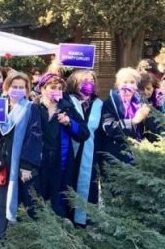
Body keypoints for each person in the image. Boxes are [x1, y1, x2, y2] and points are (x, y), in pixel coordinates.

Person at [0, 72, 43, 241]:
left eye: (21, 87)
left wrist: (26, 166)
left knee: (25, 203)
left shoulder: (31, 108)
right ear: (7, 87)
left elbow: (34, 136)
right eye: (14, 86)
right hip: (0, 163)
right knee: (1, 202)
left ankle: (26, 239)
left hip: (21, 165)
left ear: (27, 89)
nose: (17, 90)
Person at [35, 73, 89, 219]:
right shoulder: (34, 107)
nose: (56, 90)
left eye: (59, 88)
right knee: (37, 202)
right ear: (43, 89)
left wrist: (69, 123)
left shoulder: (68, 108)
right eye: (52, 87)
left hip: (61, 163)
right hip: (38, 162)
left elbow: (84, 133)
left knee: (59, 204)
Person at [96, 68, 159, 166]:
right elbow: (109, 127)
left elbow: (152, 131)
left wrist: (150, 118)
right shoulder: (109, 103)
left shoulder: (142, 102)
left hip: (139, 154)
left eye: (132, 82)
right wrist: (133, 121)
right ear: (118, 85)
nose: (128, 85)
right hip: (116, 155)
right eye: (125, 82)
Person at [66, 69, 103, 226]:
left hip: (90, 156)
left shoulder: (99, 104)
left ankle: (81, 228)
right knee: (67, 190)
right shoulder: (67, 101)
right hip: (68, 155)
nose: (89, 84)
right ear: (75, 82)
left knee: (87, 192)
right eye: (84, 80)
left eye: (92, 81)